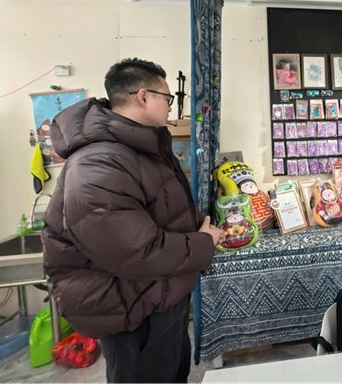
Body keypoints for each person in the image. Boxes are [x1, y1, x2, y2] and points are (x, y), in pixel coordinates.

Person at [42, 58, 224, 383]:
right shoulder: (98, 163)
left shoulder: (141, 149)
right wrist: (203, 243)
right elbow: (138, 251)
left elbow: (165, 210)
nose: (171, 106)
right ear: (143, 96)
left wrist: (203, 224)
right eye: (167, 98)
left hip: (159, 296)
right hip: (133, 310)